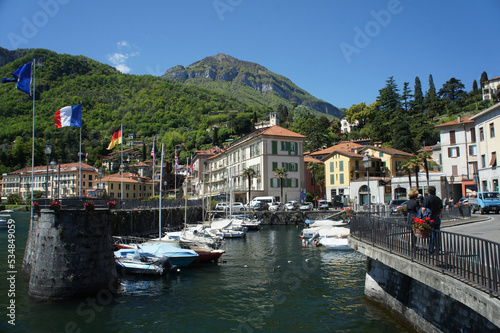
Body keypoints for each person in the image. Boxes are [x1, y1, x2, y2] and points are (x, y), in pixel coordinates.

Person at [422, 186, 443, 254]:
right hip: (437, 217)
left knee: (430, 234)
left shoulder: (427, 199)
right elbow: (442, 209)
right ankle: (438, 248)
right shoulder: (438, 199)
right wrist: (438, 214)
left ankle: (431, 249)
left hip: (430, 218)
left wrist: (423, 216)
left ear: (428, 192)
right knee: (437, 233)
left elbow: (423, 209)